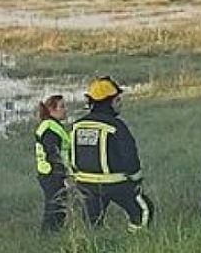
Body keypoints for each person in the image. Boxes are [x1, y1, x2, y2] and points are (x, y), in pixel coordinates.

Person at [71, 77, 154, 230]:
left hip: (84, 183)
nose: (120, 103)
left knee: (92, 223)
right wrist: (136, 180)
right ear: (109, 102)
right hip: (114, 182)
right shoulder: (116, 126)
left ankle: (92, 248)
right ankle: (137, 243)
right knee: (143, 210)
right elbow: (130, 156)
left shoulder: (77, 125)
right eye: (117, 100)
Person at [34, 95, 71, 232]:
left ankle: (52, 234)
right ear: (51, 110)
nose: (65, 110)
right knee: (55, 208)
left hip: (50, 173)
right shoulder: (49, 128)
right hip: (52, 174)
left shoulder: (52, 125)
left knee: (58, 207)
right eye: (62, 107)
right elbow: (53, 155)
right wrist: (63, 176)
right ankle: (48, 236)